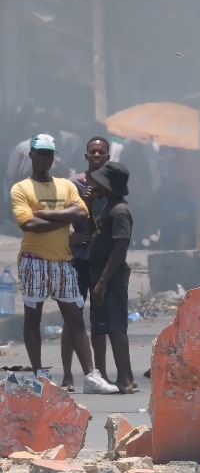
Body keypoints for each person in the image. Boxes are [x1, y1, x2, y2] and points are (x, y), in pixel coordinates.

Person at [9, 134, 115, 394]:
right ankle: (39, 374)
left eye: (49, 154)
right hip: (34, 261)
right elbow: (27, 224)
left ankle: (90, 375)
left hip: (63, 261)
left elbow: (81, 212)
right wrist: (61, 220)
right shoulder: (21, 188)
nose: (45, 158)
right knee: (33, 318)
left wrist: (45, 214)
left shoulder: (65, 186)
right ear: (31, 154)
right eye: (41, 153)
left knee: (75, 319)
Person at [63, 136, 111, 379]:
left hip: (102, 260)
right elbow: (59, 219)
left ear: (108, 156)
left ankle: (99, 373)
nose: (96, 155)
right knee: (73, 315)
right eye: (92, 151)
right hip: (79, 259)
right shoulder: (74, 185)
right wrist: (69, 239)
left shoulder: (111, 186)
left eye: (101, 152)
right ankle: (68, 374)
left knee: (99, 318)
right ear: (86, 156)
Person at [87, 162, 137, 394]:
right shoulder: (107, 207)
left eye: (99, 181)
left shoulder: (119, 211)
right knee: (107, 326)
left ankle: (125, 379)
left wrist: (103, 282)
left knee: (117, 327)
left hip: (111, 279)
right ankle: (125, 377)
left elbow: (120, 249)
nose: (94, 184)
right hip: (101, 276)